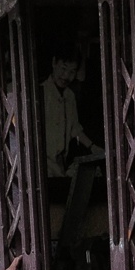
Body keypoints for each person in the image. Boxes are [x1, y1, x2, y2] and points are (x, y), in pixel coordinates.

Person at [40, 47, 100, 178]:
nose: (66, 76)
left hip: (60, 163)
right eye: (63, 68)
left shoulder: (69, 96)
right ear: (54, 63)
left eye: (72, 71)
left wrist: (93, 147)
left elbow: (75, 128)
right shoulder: (41, 94)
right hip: (43, 165)